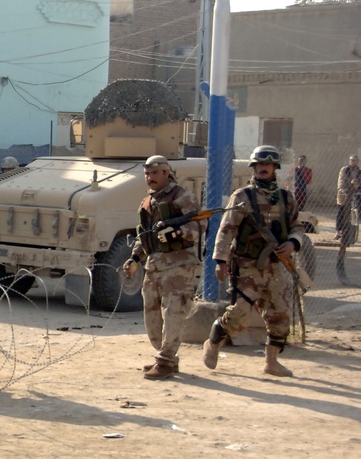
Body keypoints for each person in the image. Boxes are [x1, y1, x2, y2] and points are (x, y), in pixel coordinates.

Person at [202, 145, 305, 378]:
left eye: (267, 165)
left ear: (275, 168)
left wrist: (292, 243)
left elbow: (298, 226)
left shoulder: (286, 198)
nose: (263, 168)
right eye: (259, 164)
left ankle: (271, 362)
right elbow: (226, 230)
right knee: (239, 314)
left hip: (276, 266)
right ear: (253, 167)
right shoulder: (243, 196)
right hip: (247, 265)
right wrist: (220, 260)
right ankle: (213, 343)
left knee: (280, 316)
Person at [122, 156, 203, 380]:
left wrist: (177, 233)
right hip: (154, 265)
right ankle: (165, 356)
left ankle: (166, 359)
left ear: (167, 173)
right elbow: (144, 235)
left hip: (179, 263)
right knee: (151, 312)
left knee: (173, 310)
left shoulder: (182, 196)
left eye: (155, 173)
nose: (150, 177)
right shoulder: (147, 202)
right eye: (147, 173)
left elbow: (199, 224)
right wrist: (135, 258)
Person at [335, 154, 361, 241]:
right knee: (340, 213)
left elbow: (358, 184)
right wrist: (342, 189)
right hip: (343, 194)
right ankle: (338, 232)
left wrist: (356, 186)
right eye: (352, 160)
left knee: (353, 215)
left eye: (355, 160)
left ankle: (347, 234)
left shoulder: (359, 171)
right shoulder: (344, 170)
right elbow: (341, 180)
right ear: (349, 161)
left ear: (357, 162)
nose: (353, 162)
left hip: (354, 195)